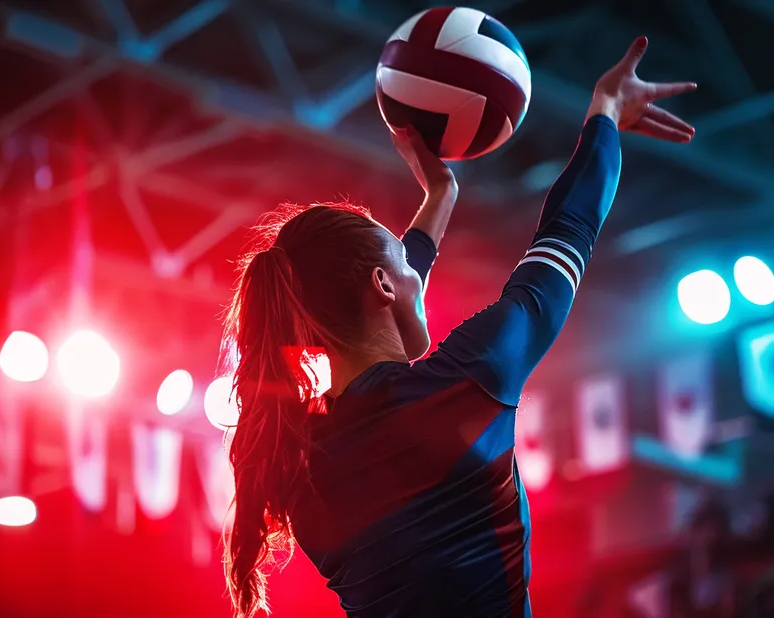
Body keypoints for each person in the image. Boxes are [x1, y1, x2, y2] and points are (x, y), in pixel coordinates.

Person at [222, 36, 696, 618]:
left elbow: (386, 309)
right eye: (403, 263)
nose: (416, 272)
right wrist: (604, 114)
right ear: (382, 286)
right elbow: (570, 227)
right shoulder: (469, 379)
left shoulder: (299, 460)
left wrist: (440, 197)